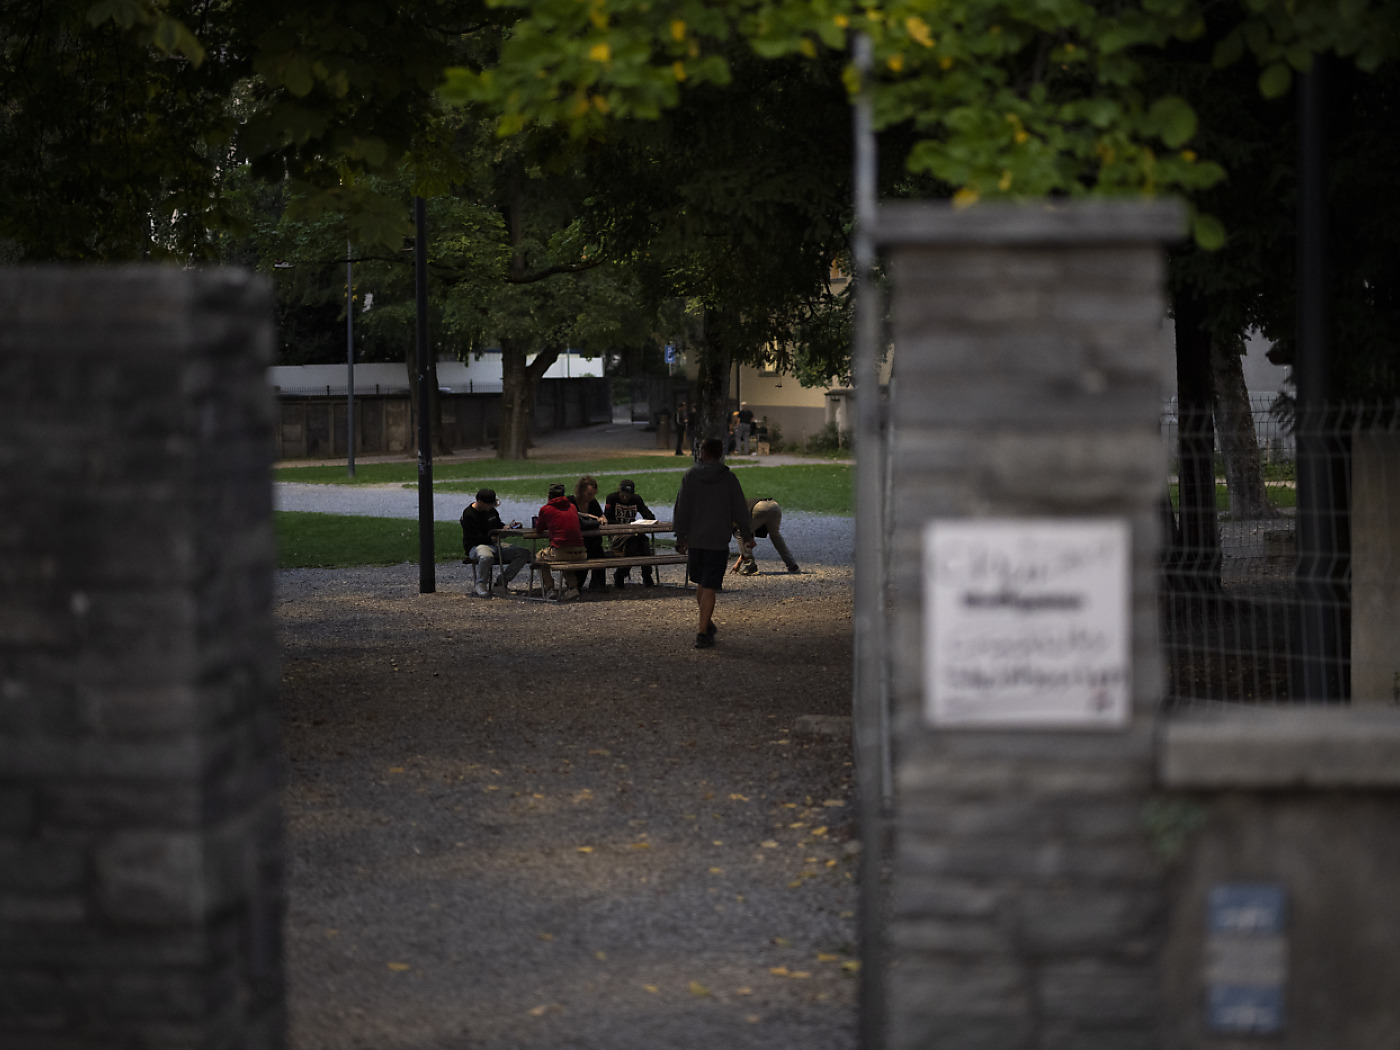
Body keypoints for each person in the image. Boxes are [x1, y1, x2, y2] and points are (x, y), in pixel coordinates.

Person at [673, 437, 753, 649]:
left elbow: (682, 508)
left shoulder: (690, 477)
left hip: (696, 539)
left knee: (702, 583)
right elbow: (740, 509)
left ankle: (704, 627)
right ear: (719, 454)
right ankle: (703, 630)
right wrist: (747, 534)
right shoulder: (728, 479)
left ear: (704, 453)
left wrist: (681, 537)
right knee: (707, 585)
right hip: (717, 540)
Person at [459, 488, 530, 598]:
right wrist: (494, 538)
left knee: (523, 553)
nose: (491, 507)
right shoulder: (469, 515)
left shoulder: (491, 511)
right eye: (489, 505)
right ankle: (481, 583)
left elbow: (497, 523)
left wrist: (505, 528)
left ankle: (501, 583)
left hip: (494, 544)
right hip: (477, 546)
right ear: (480, 502)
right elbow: (474, 538)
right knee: (486, 556)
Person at [536, 483, 586, 601]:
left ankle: (549, 588)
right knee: (563, 558)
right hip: (582, 552)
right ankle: (572, 588)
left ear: (549, 496)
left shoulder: (546, 509)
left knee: (539, 557)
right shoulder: (572, 507)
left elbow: (539, 529)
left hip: (561, 552)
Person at [604, 478, 656, 588]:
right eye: (623, 493)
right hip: (616, 535)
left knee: (643, 540)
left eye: (628, 495)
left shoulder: (637, 500)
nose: (625, 497)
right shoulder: (611, 498)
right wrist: (624, 526)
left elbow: (648, 515)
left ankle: (640, 573)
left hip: (633, 535)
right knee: (636, 541)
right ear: (619, 491)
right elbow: (608, 519)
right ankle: (624, 574)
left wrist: (646, 521)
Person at [730, 496, 801, 575]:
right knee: (776, 536)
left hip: (759, 509)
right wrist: (738, 563)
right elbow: (748, 543)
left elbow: (745, 539)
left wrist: (740, 563)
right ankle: (793, 566)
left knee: (739, 533)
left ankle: (749, 566)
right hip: (774, 506)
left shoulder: (729, 518)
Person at [569, 475, 609, 592]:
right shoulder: (571, 501)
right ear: (581, 491)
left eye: (593, 494)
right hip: (576, 542)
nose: (591, 497)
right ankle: (576, 585)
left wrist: (602, 519)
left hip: (593, 542)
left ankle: (598, 586)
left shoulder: (593, 503)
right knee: (582, 560)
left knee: (600, 555)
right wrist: (591, 517)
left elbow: (601, 516)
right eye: (589, 494)